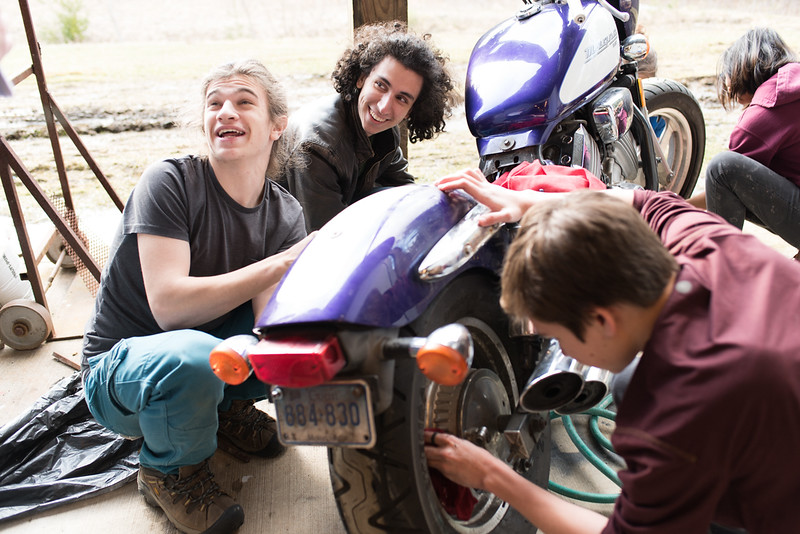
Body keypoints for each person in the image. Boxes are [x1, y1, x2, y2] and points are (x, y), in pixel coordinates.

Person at [424, 168, 800, 533]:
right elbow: (641, 203)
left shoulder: (672, 409)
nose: (564, 350)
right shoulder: (703, 243)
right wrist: (525, 201)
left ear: (603, 320)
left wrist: (493, 476)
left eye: (560, 339)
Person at [81, 59, 313, 534]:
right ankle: (168, 473)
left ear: (276, 126)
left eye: (244, 102)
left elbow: (269, 321)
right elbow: (170, 308)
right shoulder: (170, 182)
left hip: (205, 347)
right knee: (195, 356)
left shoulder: (285, 211)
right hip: (123, 374)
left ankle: (221, 410)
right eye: (215, 103)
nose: (225, 112)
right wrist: (283, 262)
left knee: (286, 341)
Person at [278, 20, 455, 231]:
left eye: (402, 99)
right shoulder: (317, 146)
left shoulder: (383, 130)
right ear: (362, 78)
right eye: (381, 85)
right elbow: (325, 235)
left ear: (413, 109)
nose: (383, 107)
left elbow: (404, 191)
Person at [687, 28, 800, 258]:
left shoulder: (766, 111)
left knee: (722, 168)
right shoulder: (793, 86)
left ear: (742, 69)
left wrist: (677, 205)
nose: (727, 86)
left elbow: (722, 182)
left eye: (727, 76)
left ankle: (722, 267)